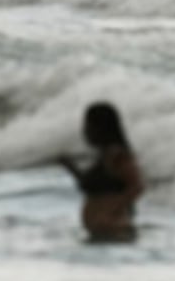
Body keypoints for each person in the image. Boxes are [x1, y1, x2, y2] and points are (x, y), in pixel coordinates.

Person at [59, 102, 142, 242]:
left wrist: (110, 210)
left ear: (101, 128)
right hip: (102, 233)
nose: (85, 131)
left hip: (115, 231)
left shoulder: (117, 154)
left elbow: (137, 186)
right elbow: (95, 188)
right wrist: (70, 168)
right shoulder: (104, 156)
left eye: (88, 125)